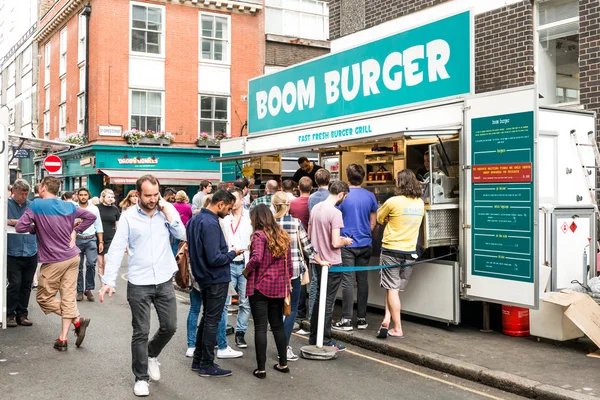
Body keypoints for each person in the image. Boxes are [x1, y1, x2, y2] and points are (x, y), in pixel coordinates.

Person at [99, 175, 185, 397]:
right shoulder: (128, 217)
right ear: (138, 194)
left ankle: (151, 354)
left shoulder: (165, 212)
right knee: (141, 331)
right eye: (148, 195)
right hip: (139, 282)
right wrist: (108, 280)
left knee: (170, 326)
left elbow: (182, 233)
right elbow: (117, 248)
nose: (153, 199)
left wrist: (167, 210)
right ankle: (141, 378)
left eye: (156, 194)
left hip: (164, 279)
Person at [15, 176, 96, 351]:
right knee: (68, 297)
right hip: (73, 257)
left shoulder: (36, 205)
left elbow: (20, 227)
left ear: (43, 187)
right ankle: (63, 339)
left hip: (54, 260)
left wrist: (36, 228)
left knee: (43, 298)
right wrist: (75, 230)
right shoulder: (69, 206)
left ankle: (76, 320)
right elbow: (90, 217)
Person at [187, 189, 244, 378]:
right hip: (215, 277)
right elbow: (215, 258)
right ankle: (206, 364)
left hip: (203, 276)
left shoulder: (195, 219)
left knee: (207, 318)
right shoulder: (211, 223)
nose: (228, 212)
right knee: (213, 319)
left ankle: (198, 359)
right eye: (228, 208)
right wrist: (233, 254)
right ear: (220, 204)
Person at [272, 191, 330, 361]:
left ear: (274, 206)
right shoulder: (296, 223)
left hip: (274, 273)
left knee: (275, 309)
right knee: (291, 310)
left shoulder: (270, 224)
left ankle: (278, 342)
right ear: (288, 206)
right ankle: (285, 347)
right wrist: (320, 260)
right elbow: (308, 247)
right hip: (294, 272)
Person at [243, 204, 293, 378]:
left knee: (261, 327)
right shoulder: (282, 236)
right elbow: (290, 266)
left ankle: (261, 369)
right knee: (278, 325)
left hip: (260, 287)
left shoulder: (259, 236)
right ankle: (283, 363)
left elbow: (256, 258)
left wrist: (246, 270)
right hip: (279, 287)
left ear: (256, 218)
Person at [375, 170, 424, 339]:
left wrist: (389, 218)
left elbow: (380, 219)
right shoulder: (420, 203)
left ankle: (398, 328)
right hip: (410, 252)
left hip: (391, 250)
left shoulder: (392, 201)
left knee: (392, 289)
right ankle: (387, 318)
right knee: (393, 289)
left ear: (399, 183)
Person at [333, 164, 378, 331]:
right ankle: (361, 319)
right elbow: (373, 222)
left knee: (348, 281)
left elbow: (335, 220)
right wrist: (364, 232)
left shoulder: (343, 197)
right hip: (365, 243)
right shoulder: (370, 196)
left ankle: (346, 319)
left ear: (347, 176)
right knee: (363, 281)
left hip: (347, 244)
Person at [308, 180, 352, 352]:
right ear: (341, 194)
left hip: (317, 260)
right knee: (328, 303)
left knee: (319, 299)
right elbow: (335, 242)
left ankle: (314, 336)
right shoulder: (335, 213)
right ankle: (325, 339)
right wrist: (345, 241)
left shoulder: (316, 208)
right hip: (332, 262)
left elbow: (310, 235)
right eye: (345, 196)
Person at [222, 188, 252, 352]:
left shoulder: (249, 217)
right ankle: (221, 333)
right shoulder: (224, 217)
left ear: (242, 200)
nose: (231, 202)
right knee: (224, 302)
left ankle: (240, 333)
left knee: (245, 302)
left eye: (234, 199)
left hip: (245, 265)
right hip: (228, 263)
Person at [6, 180, 38, 327]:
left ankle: (22, 314)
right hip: (12, 251)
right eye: (21, 193)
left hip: (31, 250)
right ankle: (9, 314)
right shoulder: (6, 205)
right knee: (14, 284)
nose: (24, 196)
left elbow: (38, 223)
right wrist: (20, 222)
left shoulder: (32, 205)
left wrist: (14, 222)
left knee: (26, 284)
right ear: (14, 191)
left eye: (26, 193)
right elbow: (3, 221)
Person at [289, 176, 312, 323]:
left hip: (297, 244)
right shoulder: (315, 203)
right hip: (312, 243)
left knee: (301, 277)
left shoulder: (292, 203)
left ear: (298, 188)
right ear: (311, 188)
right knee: (313, 278)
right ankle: (313, 311)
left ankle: (300, 309)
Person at [74, 188, 104, 302]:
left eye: (85, 195)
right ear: (78, 196)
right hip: (78, 239)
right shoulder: (74, 208)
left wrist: (100, 242)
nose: (83, 197)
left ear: (88, 196)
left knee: (91, 264)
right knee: (78, 266)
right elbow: (68, 224)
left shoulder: (94, 208)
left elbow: (99, 225)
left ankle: (89, 289)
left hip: (91, 239)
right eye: (81, 195)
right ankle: (80, 291)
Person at [97, 189, 120, 277]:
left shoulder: (115, 209)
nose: (110, 199)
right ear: (103, 198)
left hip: (111, 237)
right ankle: (103, 285)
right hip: (99, 237)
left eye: (112, 197)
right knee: (100, 263)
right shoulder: (97, 208)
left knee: (107, 262)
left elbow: (117, 225)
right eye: (108, 197)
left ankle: (108, 283)